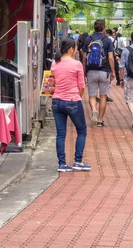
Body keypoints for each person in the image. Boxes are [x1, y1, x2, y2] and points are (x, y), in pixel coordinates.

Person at [51, 37, 90, 172]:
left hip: (56, 101)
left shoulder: (54, 63)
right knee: (82, 131)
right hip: (72, 101)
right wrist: (77, 97)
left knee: (60, 134)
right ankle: (78, 161)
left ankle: (62, 163)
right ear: (71, 49)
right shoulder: (76, 64)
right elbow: (82, 86)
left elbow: (51, 83)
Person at [82, 20, 115, 127]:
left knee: (92, 95)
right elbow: (110, 57)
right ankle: (100, 120)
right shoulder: (107, 40)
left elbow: (84, 57)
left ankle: (94, 110)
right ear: (104, 28)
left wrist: (84, 71)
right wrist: (113, 71)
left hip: (91, 71)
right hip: (104, 71)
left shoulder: (88, 39)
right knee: (103, 96)